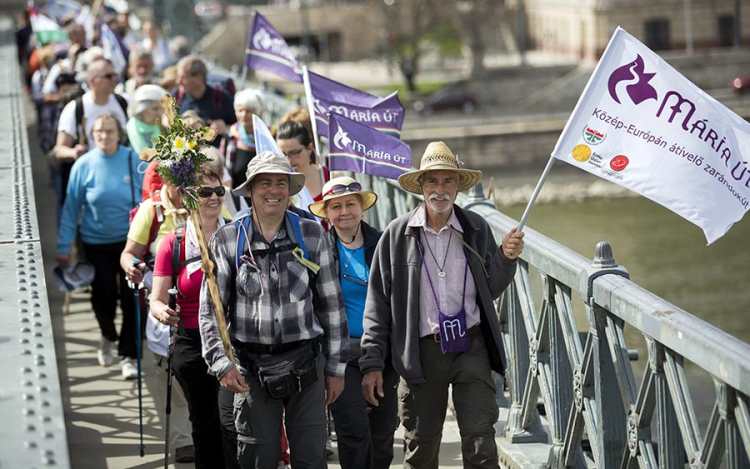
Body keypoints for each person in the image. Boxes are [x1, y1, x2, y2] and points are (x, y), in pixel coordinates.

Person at [360, 141, 525, 468]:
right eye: (432, 181)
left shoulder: (475, 228)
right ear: (420, 186)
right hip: (421, 354)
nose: (440, 189)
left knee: (481, 442)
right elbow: (377, 305)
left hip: (470, 347)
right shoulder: (396, 235)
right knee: (421, 448)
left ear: (457, 186)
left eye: (447, 181)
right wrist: (372, 363)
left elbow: (489, 289)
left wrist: (506, 259)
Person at [199, 151, 348, 468]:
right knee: (258, 459)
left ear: (290, 189)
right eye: (265, 183)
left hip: (307, 365)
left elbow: (332, 307)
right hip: (250, 370)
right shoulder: (228, 239)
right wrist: (221, 364)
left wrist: (335, 368)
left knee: (311, 459)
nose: (274, 190)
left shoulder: (312, 234)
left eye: (281, 182)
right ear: (250, 190)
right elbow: (211, 313)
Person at [308, 177, 399, 469]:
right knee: (353, 430)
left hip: (382, 352)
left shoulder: (385, 243)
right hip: (339, 354)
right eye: (336, 206)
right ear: (327, 213)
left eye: (350, 204)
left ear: (362, 207)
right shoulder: (317, 249)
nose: (344, 211)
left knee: (383, 431)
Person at [150, 167, 229, 468]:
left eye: (219, 191)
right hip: (191, 341)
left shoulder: (238, 234)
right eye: (205, 192)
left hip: (231, 340)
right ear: (188, 198)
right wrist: (162, 311)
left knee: (232, 420)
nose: (214, 198)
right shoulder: (174, 242)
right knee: (204, 420)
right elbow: (157, 299)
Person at [56, 113, 144, 379]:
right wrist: (63, 244)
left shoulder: (132, 159)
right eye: (99, 132)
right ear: (92, 135)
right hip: (94, 242)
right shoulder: (83, 165)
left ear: (119, 134)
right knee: (102, 295)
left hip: (129, 241)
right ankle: (108, 335)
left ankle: (129, 355)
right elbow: (71, 207)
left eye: (109, 131)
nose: (104, 136)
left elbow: (147, 202)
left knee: (132, 299)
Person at [173, 55, 235, 136]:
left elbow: (241, 128)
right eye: (178, 77)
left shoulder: (222, 98)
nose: (178, 82)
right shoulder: (177, 97)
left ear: (199, 79)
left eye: (183, 78)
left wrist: (226, 128)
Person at [276, 119, 328, 203]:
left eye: (294, 153)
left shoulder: (330, 177)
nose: (288, 160)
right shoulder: (275, 184)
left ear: (310, 148)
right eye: (282, 154)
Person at [126, 84, 167, 153]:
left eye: (162, 109)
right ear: (141, 110)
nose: (160, 113)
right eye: (155, 109)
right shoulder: (125, 132)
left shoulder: (165, 131)